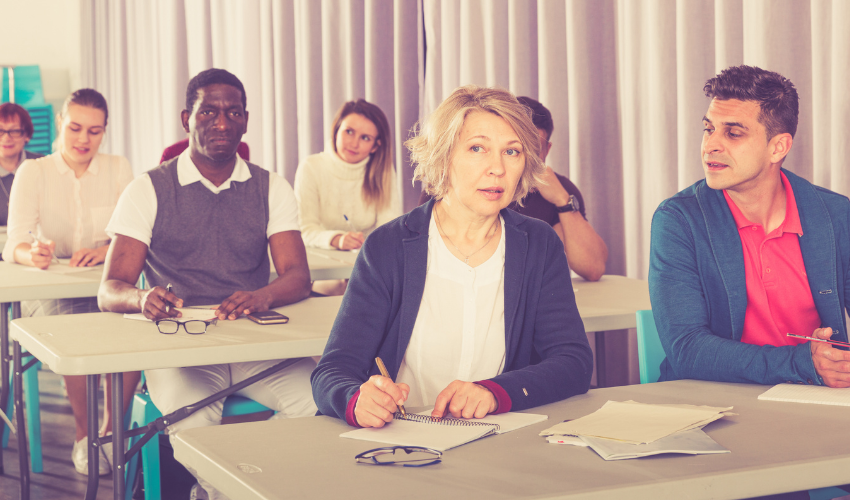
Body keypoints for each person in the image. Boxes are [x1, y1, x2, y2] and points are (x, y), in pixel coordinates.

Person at [312, 85, 593, 428]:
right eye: (477, 148)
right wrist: (355, 400)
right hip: (397, 442)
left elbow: (573, 362)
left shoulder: (539, 244)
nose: (497, 169)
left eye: (512, 152)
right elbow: (332, 371)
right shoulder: (387, 246)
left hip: (499, 440)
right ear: (444, 156)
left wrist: (494, 392)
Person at [98, 68, 317, 500]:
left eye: (232, 112)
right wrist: (142, 297)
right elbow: (111, 287)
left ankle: (226, 487)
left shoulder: (270, 186)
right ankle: (226, 490)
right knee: (194, 425)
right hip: (180, 348)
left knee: (320, 405)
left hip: (256, 342)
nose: (221, 122)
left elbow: (298, 277)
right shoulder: (149, 189)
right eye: (209, 112)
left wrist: (263, 295)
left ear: (246, 120)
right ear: (187, 118)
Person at [649, 65, 850, 389]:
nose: (710, 145)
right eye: (708, 129)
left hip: (811, 402)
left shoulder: (836, 214)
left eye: (733, 133)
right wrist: (802, 362)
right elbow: (687, 350)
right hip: (707, 404)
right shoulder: (678, 220)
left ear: (778, 147)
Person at [1, 89, 137, 475]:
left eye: (94, 131)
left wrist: (109, 246)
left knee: (130, 336)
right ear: (60, 122)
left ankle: (110, 433)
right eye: (75, 128)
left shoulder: (117, 167)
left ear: (105, 131)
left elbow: (129, 232)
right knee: (73, 334)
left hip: (107, 281)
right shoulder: (34, 171)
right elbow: (16, 241)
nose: (83, 139)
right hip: (52, 287)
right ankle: (84, 435)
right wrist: (33, 253)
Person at [419, 97, 607, 281]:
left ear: (547, 150)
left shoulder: (559, 190)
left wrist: (562, 202)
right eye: (479, 148)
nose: (501, 165)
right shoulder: (451, 184)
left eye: (514, 151)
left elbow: (592, 267)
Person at [294, 99, 401, 295]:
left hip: (368, 267)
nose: (354, 143)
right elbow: (304, 229)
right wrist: (336, 239)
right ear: (336, 130)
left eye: (365, 138)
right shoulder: (310, 167)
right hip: (320, 271)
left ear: (376, 146)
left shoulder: (383, 173)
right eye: (349, 132)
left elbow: (389, 229)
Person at [0, 103, 43, 229]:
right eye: (0, 130)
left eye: (15, 131)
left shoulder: (42, 165)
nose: (6, 138)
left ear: (27, 136)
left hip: (36, 244)